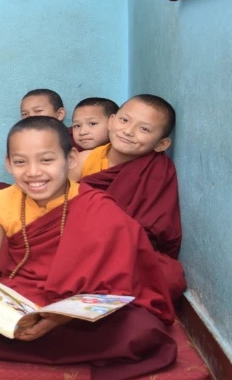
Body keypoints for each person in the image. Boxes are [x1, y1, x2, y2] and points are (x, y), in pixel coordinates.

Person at [0, 116, 179, 380]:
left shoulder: (98, 207)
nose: (33, 172)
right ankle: (49, 347)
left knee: (142, 330)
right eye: (20, 162)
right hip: (20, 297)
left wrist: (59, 318)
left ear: (71, 158)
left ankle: (14, 346)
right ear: (8, 164)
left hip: (75, 311)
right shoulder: (1, 202)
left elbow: (116, 287)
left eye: (46, 160)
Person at [75, 94, 184, 298]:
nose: (129, 131)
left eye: (144, 129)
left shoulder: (158, 171)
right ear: (111, 121)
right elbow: (60, 204)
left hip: (124, 249)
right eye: (124, 120)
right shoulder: (83, 160)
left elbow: (155, 229)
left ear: (161, 144)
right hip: (80, 239)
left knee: (170, 276)